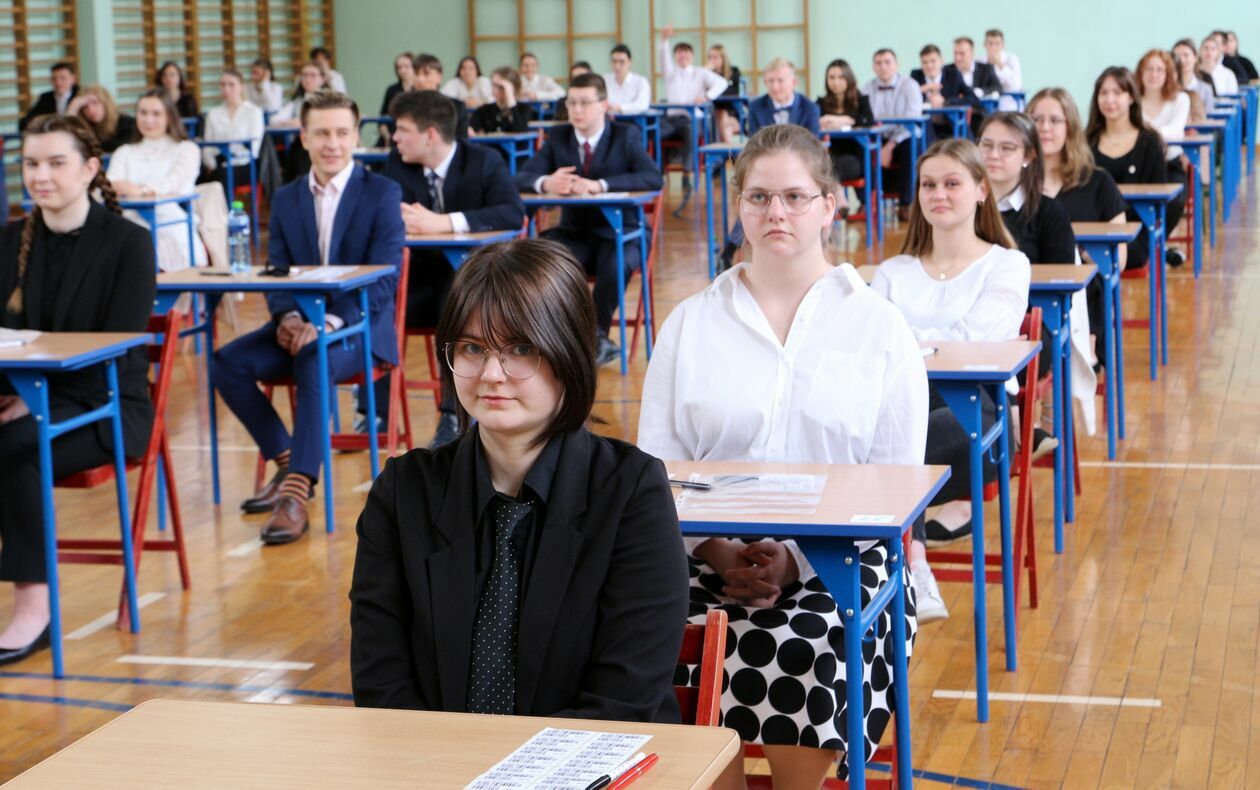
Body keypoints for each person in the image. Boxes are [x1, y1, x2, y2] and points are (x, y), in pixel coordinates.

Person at [639, 124, 927, 787]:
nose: (776, 212)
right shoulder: (691, 322)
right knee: (645, 631)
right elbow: (656, 472)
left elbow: (892, 482)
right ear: (739, 204)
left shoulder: (879, 326)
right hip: (701, 553)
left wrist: (794, 558)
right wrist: (718, 552)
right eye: (759, 196)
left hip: (842, 560)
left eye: (795, 197)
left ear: (829, 205)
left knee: (807, 645)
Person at [350, 238, 688, 720]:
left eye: (521, 349)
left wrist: (512, 764)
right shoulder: (403, 492)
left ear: (569, 352)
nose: (491, 373)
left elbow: (623, 699)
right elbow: (381, 686)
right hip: (433, 759)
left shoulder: (632, 491)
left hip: (596, 758)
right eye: (472, 348)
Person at [210, 92, 403, 545]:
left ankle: (295, 494)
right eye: (322, 133)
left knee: (315, 358)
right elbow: (277, 271)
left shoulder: (382, 193)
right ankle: (288, 467)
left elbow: (384, 282)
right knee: (226, 362)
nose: (332, 143)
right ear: (304, 137)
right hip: (300, 325)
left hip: (357, 327)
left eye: (341, 133)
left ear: (356, 137)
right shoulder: (287, 197)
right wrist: (288, 318)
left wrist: (326, 324)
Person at [0, 115, 155, 666]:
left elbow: (114, 347)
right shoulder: (10, 240)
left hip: (106, 407)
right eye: (30, 163)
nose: (40, 175)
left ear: (90, 168)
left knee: (16, 448)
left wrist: (30, 400)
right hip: (22, 399)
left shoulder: (130, 243)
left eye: (55, 163)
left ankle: (34, 608)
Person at [871, 137, 1030, 619]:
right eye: (928, 185)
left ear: (981, 190)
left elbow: (978, 340)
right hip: (901, 409)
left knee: (893, 448)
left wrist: (909, 343)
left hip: (979, 419)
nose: (938, 194)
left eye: (952, 183)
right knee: (892, 439)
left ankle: (905, 565)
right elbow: (873, 347)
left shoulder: (1007, 264)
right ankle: (915, 565)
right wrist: (922, 345)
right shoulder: (893, 271)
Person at [382, 89, 525, 446]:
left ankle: (453, 415)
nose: (395, 137)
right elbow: (386, 216)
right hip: (417, 280)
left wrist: (444, 223)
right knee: (379, 308)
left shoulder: (483, 160)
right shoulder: (397, 164)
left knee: (457, 302)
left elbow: (512, 213)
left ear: (430, 134)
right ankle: (376, 412)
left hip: (477, 282)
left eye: (402, 129)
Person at [516, 73, 663, 368]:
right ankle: (557, 337)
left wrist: (600, 185)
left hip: (623, 233)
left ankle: (593, 338)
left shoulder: (625, 135)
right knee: (537, 258)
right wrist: (547, 182)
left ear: (604, 105)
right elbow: (520, 178)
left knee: (615, 264)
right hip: (575, 232)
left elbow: (652, 177)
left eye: (584, 102)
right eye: (571, 103)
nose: (577, 110)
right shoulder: (559, 137)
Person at [978, 111, 1091, 452]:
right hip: (969, 324)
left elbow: (1061, 285)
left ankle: (1009, 434)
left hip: (1028, 329)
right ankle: (1011, 434)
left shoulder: (1048, 212)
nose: (993, 155)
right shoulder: (963, 205)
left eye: (1006, 148)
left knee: (988, 361)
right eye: (986, 145)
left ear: (1028, 156)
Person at [1029, 87, 1129, 368]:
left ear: (1070, 127)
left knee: (1088, 276)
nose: (1044, 128)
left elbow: (1118, 260)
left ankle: (1087, 348)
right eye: (1036, 120)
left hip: (1079, 294)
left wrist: (1083, 256)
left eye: (1054, 120)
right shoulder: (1014, 184)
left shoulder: (1098, 182)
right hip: (1023, 290)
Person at [1086, 66, 1183, 270]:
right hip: (1091, 229)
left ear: (1131, 97)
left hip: (1135, 233)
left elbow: (1158, 197)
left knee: (1098, 256)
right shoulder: (1087, 142)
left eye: (1117, 93)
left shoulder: (1149, 142)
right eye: (1103, 93)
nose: (1109, 100)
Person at [106, 89, 206, 270]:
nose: (148, 120)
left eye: (156, 114)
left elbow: (173, 183)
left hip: (169, 223)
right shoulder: (124, 152)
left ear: (169, 117)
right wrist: (134, 190)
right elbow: (110, 185)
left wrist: (139, 190)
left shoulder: (186, 149)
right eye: (143, 113)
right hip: (127, 222)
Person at [658, 25, 727, 200]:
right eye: (679, 53)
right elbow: (663, 58)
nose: (683, 56)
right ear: (675, 56)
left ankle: (686, 174)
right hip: (672, 119)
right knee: (654, 133)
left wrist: (706, 96)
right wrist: (664, 40)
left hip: (692, 119)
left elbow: (722, 83)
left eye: (686, 52)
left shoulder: (700, 72)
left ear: (692, 56)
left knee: (690, 132)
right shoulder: (670, 73)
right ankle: (658, 172)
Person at [1136, 49, 1190, 265]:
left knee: (1176, 200)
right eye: (1149, 69)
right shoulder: (1132, 100)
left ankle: (1154, 246)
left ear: (1168, 74)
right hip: (1140, 166)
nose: (1154, 74)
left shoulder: (1180, 99)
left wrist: (1146, 133)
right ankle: (1152, 249)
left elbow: (1176, 132)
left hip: (1170, 164)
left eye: (1160, 70)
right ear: (1140, 73)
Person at [863, 48, 923, 218]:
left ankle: (906, 203)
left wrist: (889, 147)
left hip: (903, 137)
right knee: (860, 149)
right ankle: (866, 202)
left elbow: (911, 120)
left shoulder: (910, 85)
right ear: (873, 67)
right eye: (878, 63)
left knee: (910, 148)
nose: (883, 67)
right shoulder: (866, 88)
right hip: (878, 137)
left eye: (887, 62)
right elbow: (864, 119)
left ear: (897, 64)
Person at [199, 69, 265, 191]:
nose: (226, 89)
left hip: (244, 164)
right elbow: (208, 148)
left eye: (231, 85)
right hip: (218, 165)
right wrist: (211, 164)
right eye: (223, 85)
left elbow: (254, 148)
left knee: (222, 176)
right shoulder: (213, 113)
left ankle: (224, 205)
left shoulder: (253, 112)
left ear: (241, 86)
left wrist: (228, 157)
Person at [817, 58, 875, 181]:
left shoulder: (861, 100)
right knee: (822, 166)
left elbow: (868, 120)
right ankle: (835, 192)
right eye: (831, 77)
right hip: (829, 154)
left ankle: (834, 189)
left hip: (855, 156)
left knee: (838, 167)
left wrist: (848, 120)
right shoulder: (820, 103)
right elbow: (814, 123)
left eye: (841, 77)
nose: (836, 82)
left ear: (849, 78)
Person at [912, 43, 980, 138]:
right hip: (925, 126)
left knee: (963, 128)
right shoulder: (915, 76)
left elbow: (973, 99)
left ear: (941, 61)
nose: (929, 66)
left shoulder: (953, 75)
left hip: (949, 124)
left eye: (933, 61)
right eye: (925, 62)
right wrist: (921, 89)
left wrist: (945, 102)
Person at [747, 57, 820, 136]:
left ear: (794, 82)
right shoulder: (755, 107)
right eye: (770, 81)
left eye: (780, 80)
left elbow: (812, 141)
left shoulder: (810, 108)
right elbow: (754, 141)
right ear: (765, 82)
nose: (775, 87)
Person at [66, 85, 136, 152]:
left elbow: (120, 147)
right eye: (85, 106)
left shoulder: (128, 123)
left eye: (95, 102)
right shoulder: (84, 127)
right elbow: (68, 140)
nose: (91, 110)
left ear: (106, 103)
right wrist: (73, 108)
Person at [415, 54, 470, 138]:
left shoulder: (457, 107)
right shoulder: (405, 108)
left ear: (439, 77)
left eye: (426, 74)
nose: (420, 79)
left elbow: (461, 141)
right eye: (416, 74)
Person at [469, 67, 533, 133]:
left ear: (512, 88)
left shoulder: (524, 109)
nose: (494, 89)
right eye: (493, 85)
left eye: (500, 86)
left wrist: (510, 98)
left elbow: (519, 130)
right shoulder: (485, 109)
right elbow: (470, 128)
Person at [19, 62, 78, 131]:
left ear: (73, 79)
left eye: (63, 78)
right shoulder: (45, 98)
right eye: (54, 78)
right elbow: (25, 122)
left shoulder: (79, 95)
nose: (58, 82)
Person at [944, 37, 1001, 106]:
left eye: (962, 54)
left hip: (980, 109)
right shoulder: (946, 71)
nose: (957, 58)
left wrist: (979, 92)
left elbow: (997, 88)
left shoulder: (986, 69)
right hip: (954, 110)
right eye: (955, 53)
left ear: (972, 53)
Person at [272, 61, 329, 127]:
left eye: (313, 75)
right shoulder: (297, 100)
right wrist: (293, 122)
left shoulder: (329, 100)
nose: (308, 79)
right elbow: (274, 120)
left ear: (323, 79)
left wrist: (302, 122)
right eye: (305, 75)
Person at [977, 29, 1022, 108]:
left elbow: (1016, 86)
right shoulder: (979, 62)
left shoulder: (1011, 59)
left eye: (997, 44)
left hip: (1008, 102)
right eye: (990, 44)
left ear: (1003, 45)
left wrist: (1000, 65)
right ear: (985, 45)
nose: (993, 47)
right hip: (985, 103)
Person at [707, 44, 743, 142]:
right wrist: (706, 73)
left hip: (730, 109)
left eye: (715, 57)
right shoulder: (707, 74)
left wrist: (715, 91)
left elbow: (734, 91)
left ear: (723, 58)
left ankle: (726, 149)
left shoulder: (734, 71)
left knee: (723, 116)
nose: (712, 60)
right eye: (710, 57)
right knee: (722, 120)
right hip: (710, 110)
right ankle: (727, 149)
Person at [604, 44, 651, 116]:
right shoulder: (604, 80)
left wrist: (619, 108)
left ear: (629, 62)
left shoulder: (641, 81)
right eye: (614, 61)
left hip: (633, 119)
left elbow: (642, 105)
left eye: (621, 62)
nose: (617, 66)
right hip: (609, 119)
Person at [1172, 39, 1214, 119]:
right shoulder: (1168, 88)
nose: (1181, 60)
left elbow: (1209, 119)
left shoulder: (1206, 89)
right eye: (1177, 56)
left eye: (1186, 55)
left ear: (1195, 58)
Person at [380, 52, 417, 124]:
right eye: (399, 67)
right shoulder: (391, 90)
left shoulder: (421, 90)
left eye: (407, 66)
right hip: (393, 128)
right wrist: (384, 129)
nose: (403, 70)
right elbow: (383, 115)